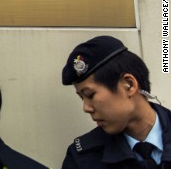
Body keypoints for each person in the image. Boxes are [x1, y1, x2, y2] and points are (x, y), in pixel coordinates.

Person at [61, 35, 171, 168]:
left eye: (90, 95)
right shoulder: (82, 159)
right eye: (81, 97)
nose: (86, 108)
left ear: (129, 85)